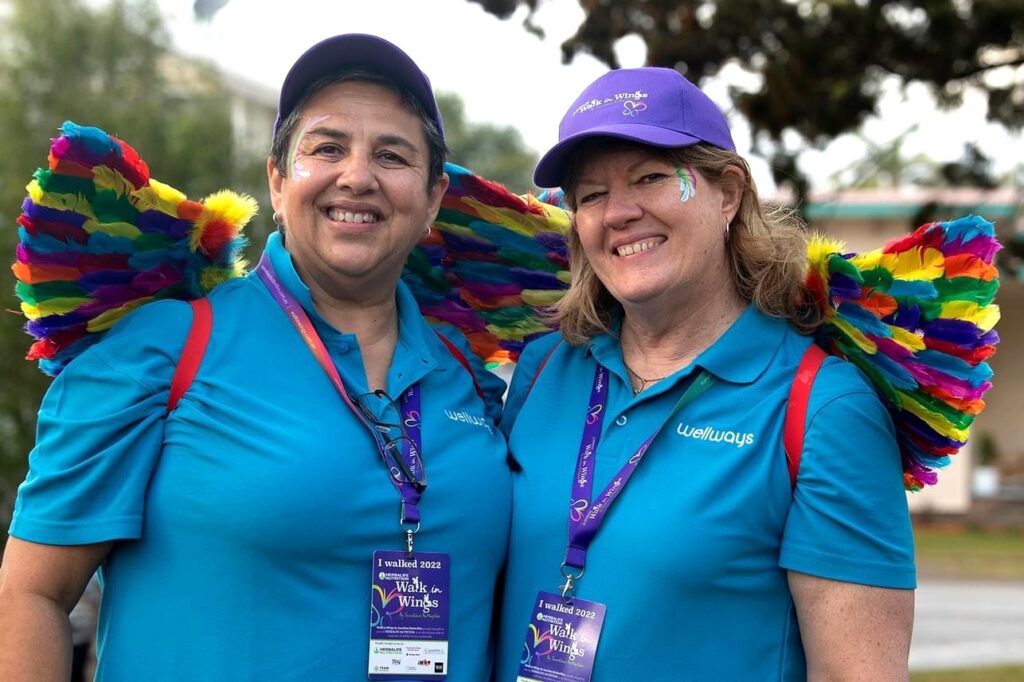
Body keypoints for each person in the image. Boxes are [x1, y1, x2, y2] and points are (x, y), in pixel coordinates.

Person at [0, 34, 510, 680]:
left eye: (392, 154)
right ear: (276, 180)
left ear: (433, 198)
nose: (357, 175)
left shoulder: (468, 375)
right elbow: (33, 595)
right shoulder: (162, 350)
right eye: (327, 148)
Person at [495, 67, 916, 681]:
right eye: (590, 195)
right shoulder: (543, 371)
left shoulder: (822, 409)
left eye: (651, 177)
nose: (618, 213)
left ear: (729, 192)